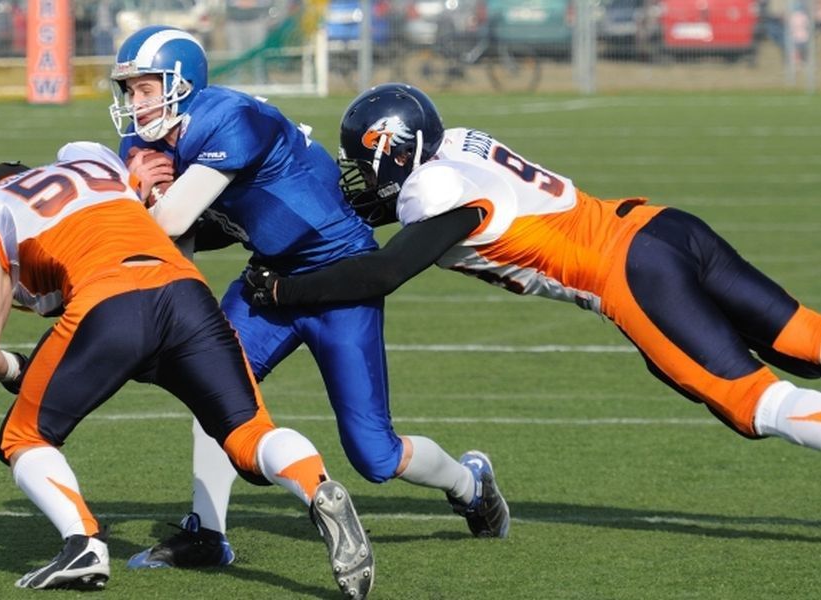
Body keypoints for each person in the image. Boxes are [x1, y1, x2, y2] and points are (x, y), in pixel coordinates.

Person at [245, 82, 821, 467]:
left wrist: (283, 290)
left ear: (395, 151)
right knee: (806, 340)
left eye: (365, 164)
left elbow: (385, 271)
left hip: (633, 274)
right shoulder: (458, 144)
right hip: (663, 227)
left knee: (758, 403)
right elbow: (405, 203)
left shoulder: (435, 190)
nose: (362, 178)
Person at [107, 26, 510, 570]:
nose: (135, 102)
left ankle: (470, 483)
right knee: (212, 379)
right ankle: (206, 531)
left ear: (181, 82)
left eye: (145, 88)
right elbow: (180, 251)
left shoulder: (229, 117)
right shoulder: (144, 145)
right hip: (268, 279)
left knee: (376, 454)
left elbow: (172, 220)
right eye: (128, 90)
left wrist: (137, 197)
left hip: (338, 278)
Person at [0, 141, 373, 599]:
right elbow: (141, 192)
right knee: (248, 433)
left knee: (24, 438)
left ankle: (82, 543)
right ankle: (316, 486)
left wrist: (10, 367)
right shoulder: (94, 165)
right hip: (186, 293)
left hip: (110, 301)